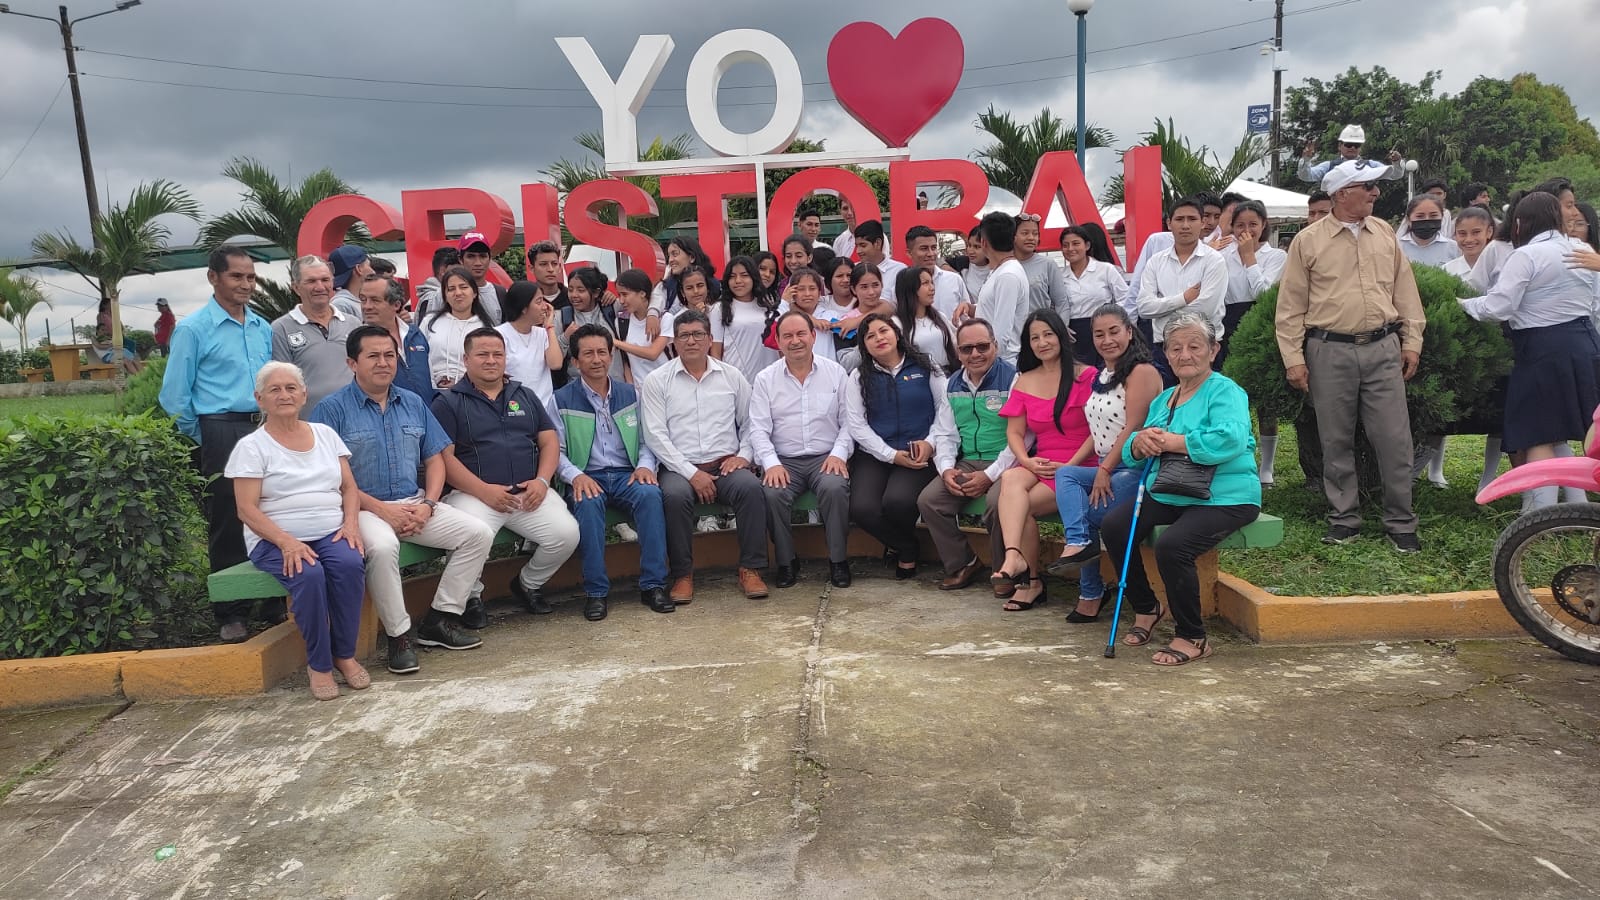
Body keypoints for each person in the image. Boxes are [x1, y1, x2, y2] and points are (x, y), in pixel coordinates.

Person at [310, 325, 495, 668]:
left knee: (478, 534)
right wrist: (382, 510)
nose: (383, 363)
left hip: (414, 503)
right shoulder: (331, 410)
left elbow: (435, 459)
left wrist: (429, 504)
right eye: (373, 356)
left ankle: (441, 618)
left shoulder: (412, 402)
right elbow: (331, 477)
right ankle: (399, 636)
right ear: (352, 363)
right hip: (362, 509)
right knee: (382, 548)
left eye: (389, 355)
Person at [1277, 159, 1426, 552]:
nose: (1376, 192)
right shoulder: (1308, 241)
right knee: (1335, 439)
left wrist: (1412, 340)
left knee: (1394, 439)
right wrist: (1294, 358)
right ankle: (1344, 519)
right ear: (1342, 194)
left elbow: (1405, 290)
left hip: (1383, 347)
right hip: (1329, 350)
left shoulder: (1385, 232)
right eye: (1368, 186)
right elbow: (1290, 305)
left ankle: (1401, 522)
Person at [1101, 311, 1260, 666]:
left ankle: (1192, 636)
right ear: (1166, 354)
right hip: (1173, 489)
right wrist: (1139, 444)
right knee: (1115, 526)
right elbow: (1133, 454)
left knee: (1173, 546)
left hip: (1225, 496)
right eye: (1175, 348)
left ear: (1213, 350)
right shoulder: (1164, 400)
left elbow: (1231, 438)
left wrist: (1173, 442)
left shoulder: (1225, 391)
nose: (1184, 355)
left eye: (1194, 346)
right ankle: (1147, 607)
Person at [227, 361, 368, 701]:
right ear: (260, 399)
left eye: (291, 388)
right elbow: (246, 509)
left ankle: (344, 655)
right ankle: (319, 665)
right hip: (274, 539)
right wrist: (286, 542)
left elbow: (349, 487)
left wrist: (351, 523)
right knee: (309, 574)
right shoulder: (252, 447)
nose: (284, 395)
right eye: (274, 390)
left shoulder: (325, 435)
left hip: (330, 530)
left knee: (350, 564)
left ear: (304, 395)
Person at [160, 246, 276, 642]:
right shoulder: (193, 329)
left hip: (263, 428)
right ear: (213, 277)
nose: (246, 284)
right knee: (229, 520)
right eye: (236, 276)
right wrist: (206, 437)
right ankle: (231, 611)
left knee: (271, 511)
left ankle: (272, 599)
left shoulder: (261, 326)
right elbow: (174, 397)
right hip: (220, 430)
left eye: (251, 277)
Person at [1460, 192, 1600, 510]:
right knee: (1562, 432)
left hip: (1542, 348)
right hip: (1585, 343)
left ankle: (1539, 515)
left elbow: (1499, 307)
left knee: (1538, 435)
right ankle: (1577, 508)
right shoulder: (1582, 249)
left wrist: (1465, 304)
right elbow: (1595, 306)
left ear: (1520, 222)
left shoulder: (1526, 255)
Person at [432, 328, 581, 617]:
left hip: (526, 493)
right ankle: (470, 597)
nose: (491, 360)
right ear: (466, 359)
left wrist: (542, 481)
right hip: (473, 495)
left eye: (497, 354)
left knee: (566, 534)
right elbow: (444, 459)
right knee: (469, 533)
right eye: (482, 354)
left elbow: (549, 441)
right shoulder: (448, 403)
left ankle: (528, 584)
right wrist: (484, 491)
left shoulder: (524, 395)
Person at [640, 308, 771, 601]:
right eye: (684, 335)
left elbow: (751, 423)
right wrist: (692, 473)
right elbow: (655, 435)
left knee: (750, 488)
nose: (691, 341)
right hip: (679, 467)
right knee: (674, 497)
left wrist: (744, 456)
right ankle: (682, 575)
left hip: (725, 464)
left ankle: (750, 569)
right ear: (674, 341)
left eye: (698, 334)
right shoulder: (657, 380)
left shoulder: (731, 376)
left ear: (710, 339)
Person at [554, 324, 675, 617]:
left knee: (650, 496)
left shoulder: (631, 394)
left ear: (611, 356)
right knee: (587, 504)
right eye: (588, 354)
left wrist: (645, 466)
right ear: (575, 361)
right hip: (587, 475)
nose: (596, 359)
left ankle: (654, 585)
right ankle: (596, 592)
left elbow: (648, 440)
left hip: (627, 474)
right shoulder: (560, 400)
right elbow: (555, 452)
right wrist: (576, 476)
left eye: (602, 352)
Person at [1052, 304, 1162, 622]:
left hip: (1134, 466)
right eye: (1099, 334)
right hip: (1107, 461)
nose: (1107, 340)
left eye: (1114, 331)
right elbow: (1097, 429)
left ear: (1129, 331)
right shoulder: (1103, 375)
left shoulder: (1141, 372)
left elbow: (1133, 426)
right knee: (1067, 476)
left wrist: (1105, 469)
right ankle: (1078, 546)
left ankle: (1090, 593)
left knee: (1089, 514)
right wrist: (1074, 464)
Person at [989, 311, 1097, 611]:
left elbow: (1098, 430)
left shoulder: (1086, 376)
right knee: (1011, 477)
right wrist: (1026, 460)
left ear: (1061, 336)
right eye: (1034, 337)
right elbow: (1014, 432)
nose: (1042, 342)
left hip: (1080, 465)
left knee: (1021, 507)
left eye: (1048, 334)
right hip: (1042, 462)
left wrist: (1071, 465)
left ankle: (1031, 581)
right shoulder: (1025, 380)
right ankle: (1014, 556)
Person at [845, 313, 956, 579]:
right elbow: (856, 424)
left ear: (896, 333)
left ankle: (902, 550)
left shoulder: (926, 366)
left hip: (919, 451)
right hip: (876, 453)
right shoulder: (859, 376)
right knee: (861, 508)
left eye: (883, 331)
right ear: (864, 345)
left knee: (898, 501)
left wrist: (930, 443)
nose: (879, 338)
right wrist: (890, 455)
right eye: (870, 336)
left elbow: (945, 408)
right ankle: (907, 546)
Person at [750, 310, 854, 589]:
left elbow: (849, 422)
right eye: (787, 336)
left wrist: (838, 454)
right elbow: (758, 429)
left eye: (800, 334)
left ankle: (838, 561)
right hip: (785, 460)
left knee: (834, 488)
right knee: (772, 493)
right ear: (778, 341)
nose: (795, 341)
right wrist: (771, 463)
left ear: (813, 336)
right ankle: (786, 562)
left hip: (825, 457)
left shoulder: (835, 373)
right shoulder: (765, 379)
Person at [919, 319, 1015, 591]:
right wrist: (946, 469)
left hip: (1008, 463)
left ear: (995, 346)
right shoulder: (953, 384)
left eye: (982, 346)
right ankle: (964, 563)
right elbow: (945, 433)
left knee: (998, 503)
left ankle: (1004, 572)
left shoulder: (1013, 379)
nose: (975, 354)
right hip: (969, 460)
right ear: (958, 352)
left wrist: (990, 475)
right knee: (930, 501)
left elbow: (1022, 438)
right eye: (967, 349)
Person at [1137, 197, 1228, 386]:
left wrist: (1161, 308)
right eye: (1179, 219)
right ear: (1169, 223)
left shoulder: (1214, 261)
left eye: (1192, 219)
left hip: (1202, 347)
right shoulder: (1155, 262)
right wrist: (1183, 299)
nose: (1185, 225)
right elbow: (1144, 308)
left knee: (1204, 401)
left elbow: (1206, 309)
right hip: (1164, 348)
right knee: (1167, 400)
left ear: (1202, 222)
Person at [271, 254, 357, 416]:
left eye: (325, 280)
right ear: (296, 287)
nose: (320, 287)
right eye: (311, 281)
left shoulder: (353, 323)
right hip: (308, 423)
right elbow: (281, 382)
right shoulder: (281, 329)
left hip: (353, 419)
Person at [1217, 200, 1288, 370]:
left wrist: (1249, 256)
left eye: (1253, 224)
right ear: (1232, 227)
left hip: (1259, 322)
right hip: (1228, 324)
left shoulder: (1276, 256)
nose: (1246, 230)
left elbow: (1263, 295)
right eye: (1240, 225)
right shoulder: (1223, 256)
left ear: (1263, 225)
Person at [359, 273, 432, 402]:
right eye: (363, 300)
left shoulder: (415, 334)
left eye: (375, 300)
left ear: (396, 305)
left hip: (425, 410)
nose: (367, 306)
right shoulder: (359, 342)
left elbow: (431, 378)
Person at [1059, 225, 1127, 364]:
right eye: (1065, 245)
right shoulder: (1059, 275)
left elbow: (1126, 298)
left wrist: (1109, 314)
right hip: (1073, 334)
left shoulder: (1105, 269)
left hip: (1104, 330)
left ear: (1087, 245)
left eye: (1076, 243)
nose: (1070, 249)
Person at [712, 255, 784, 382]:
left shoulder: (768, 304)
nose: (738, 281)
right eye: (732, 276)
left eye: (744, 275)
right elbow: (715, 352)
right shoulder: (719, 309)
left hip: (771, 378)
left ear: (754, 277)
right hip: (737, 380)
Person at [424, 265, 496, 390]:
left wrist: (461, 385)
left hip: (471, 393)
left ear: (474, 293)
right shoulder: (429, 322)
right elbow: (419, 359)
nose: (458, 293)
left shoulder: (485, 328)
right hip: (432, 393)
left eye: (463, 287)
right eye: (451, 289)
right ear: (445, 295)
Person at [972, 212, 1030, 364]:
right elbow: (994, 309)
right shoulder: (1001, 271)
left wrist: (989, 362)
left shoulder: (1007, 275)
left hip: (1001, 361)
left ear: (983, 242)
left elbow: (1002, 332)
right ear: (1014, 239)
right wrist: (972, 309)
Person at [495, 281, 563, 409]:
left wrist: (549, 326)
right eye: (539, 302)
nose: (545, 306)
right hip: (515, 407)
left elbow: (556, 364)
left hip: (545, 407)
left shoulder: (542, 333)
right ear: (524, 308)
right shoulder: (499, 335)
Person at [558, 266, 622, 382]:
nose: (574, 295)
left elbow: (642, 302)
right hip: (579, 388)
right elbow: (554, 359)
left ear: (596, 292)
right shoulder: (562, 317)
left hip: (615, 384)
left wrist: (653, 312)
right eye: (570, 290)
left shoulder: (612, 308)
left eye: (581, 290)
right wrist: (565, 338)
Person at [613, 268, 675, 384]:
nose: (621, 300)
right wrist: (631, 387)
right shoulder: (621, 321)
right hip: (639, 390)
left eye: (625, 294)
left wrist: (616, 343)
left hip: (666, 386)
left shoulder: (665, 318)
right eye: (619, 295)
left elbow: (653, 353)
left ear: (642, 293)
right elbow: (625, 361)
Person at [893, 267, 958, 373]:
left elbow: (955, 344)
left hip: (948, 373)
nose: (932, 288)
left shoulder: (939, 316)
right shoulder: (896, 323)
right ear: (910, 288)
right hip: (919, 376)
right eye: (925, 283)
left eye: (932, 282)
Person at [1297, 124, 1404, 184]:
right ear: (1340, 146)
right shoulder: (1329, 166)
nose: (1352, 148)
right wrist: (1306, 160)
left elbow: (1394, 175)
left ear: (1360, 148)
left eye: (1356, 145)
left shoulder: (1371, 165)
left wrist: (1396, 162)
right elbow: (1307, 176)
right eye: (1348, 144)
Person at [1012, 214, 1070, 315]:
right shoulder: (1004, 264)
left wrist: (1061, 324)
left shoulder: (1048, 264)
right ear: (1013, 236)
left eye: (1035, 234)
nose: (1031, 238)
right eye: (1025, 233)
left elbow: (1061, 302)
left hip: (1040, 324)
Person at [904, 225, 965, 319]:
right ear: (909, 253)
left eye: (933, 248)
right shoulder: (901, 286)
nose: (931, 254)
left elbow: (966, 315)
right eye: (924, 248)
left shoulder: (954, 280)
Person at [649, 236, 718, 315]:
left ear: (692, 257)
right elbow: (654, 305)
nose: (670, 260)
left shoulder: (716, 288)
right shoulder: (666, 286)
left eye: (675, 254)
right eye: (669, 256)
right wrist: (652, 314)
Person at [1398, 194, 1462, 268]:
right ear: (1408, 220)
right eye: (1420, 216)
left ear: (1442, 218)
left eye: (1433, 215)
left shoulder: (1454, 248)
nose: (1427, 219)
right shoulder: (1397, 247)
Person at [456, 232, 504, 323]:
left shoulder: (501, 293)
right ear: (460, 259)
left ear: (489, 258)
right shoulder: (449, 294)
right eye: (471, 256)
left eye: (483, 256)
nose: (478, 263)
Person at [854, 219, 905, 288]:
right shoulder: (852, 270)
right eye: (857, 246)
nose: (858, 251)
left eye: (863, 245)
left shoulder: (899, 271)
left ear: (878, 243)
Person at [414, 246, 461, 320]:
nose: (462, 274)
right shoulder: (434, 298)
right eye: (458, 270)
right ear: (443, 271)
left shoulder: (433, 296)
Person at [327, 245, 372, 319]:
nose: (373, 271)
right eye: (369, 265)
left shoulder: (353, 301)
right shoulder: (342, 305)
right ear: (359, 269)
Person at [524, 241, 571, 311]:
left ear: (560, 267)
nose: (550, 269)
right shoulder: (525, 300)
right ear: (532, 268)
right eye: (543, 264)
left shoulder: (572, 298)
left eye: (554, 264)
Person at [962, 224, 991, 306]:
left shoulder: (998, 269)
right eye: (969, 245)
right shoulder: (963, 263)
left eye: (977, 247)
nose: (970, 251)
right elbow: (940, 261)